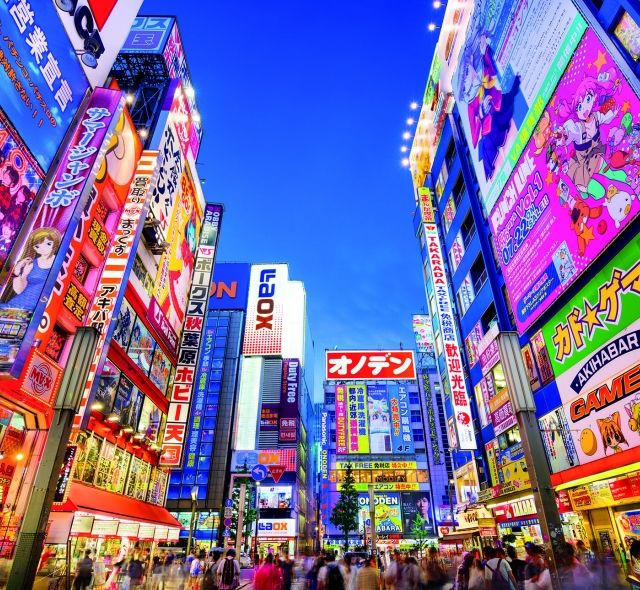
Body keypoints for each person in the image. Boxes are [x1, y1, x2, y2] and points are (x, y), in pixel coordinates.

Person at [1, 227, 61, 309]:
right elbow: (19, 290)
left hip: (38, 308)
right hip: (18, 305)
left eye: (48, 244)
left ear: (55, 244)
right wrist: (18, 271)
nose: (43, 249)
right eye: (37, 246)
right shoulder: (32, 263)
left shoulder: (60, 263)